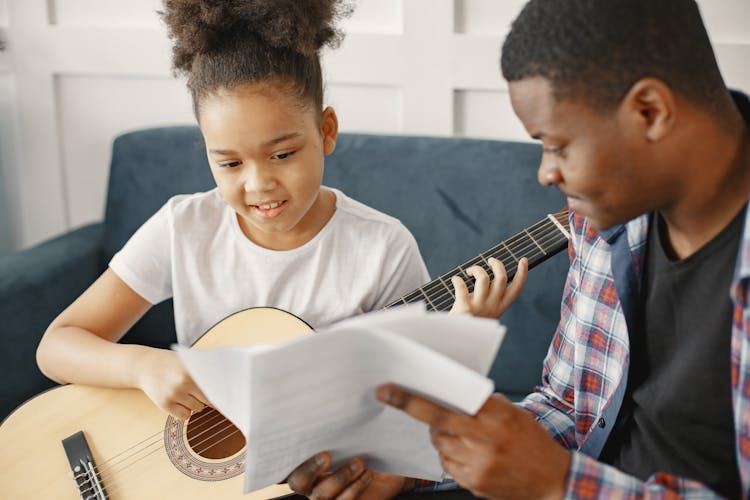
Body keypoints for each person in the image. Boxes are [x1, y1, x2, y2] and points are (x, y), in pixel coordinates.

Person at [286, 0, 750, 498]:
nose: (545, 173)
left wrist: (557, 483)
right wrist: (409, 466)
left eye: (556, 145)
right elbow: (568, 409)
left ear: (650, 112)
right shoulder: (608, 215)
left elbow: (556, 474)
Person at [36, 0, 525, 422]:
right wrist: (143, 367)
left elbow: (411, 406)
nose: (257, 183)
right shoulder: (182, 227)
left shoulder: (381, 247)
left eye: (282, 154)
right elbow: (57, 345)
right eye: (228, 162)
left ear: (326, 131)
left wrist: (463, 336)